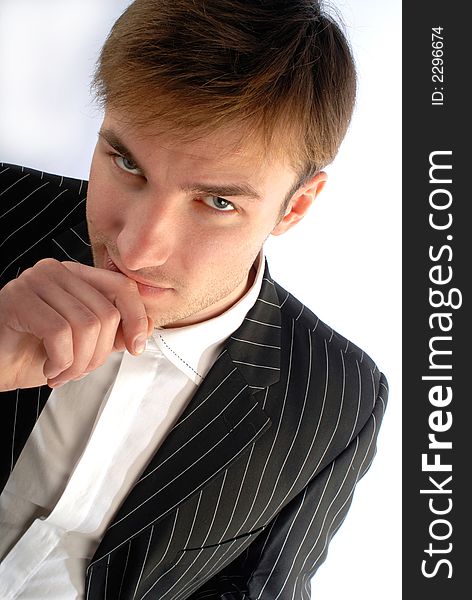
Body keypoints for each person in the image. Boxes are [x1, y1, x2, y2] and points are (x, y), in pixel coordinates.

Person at [0, 0, 388, 598]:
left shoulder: (336, 397)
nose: (137, 246)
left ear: (298, 205)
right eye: (127, 163)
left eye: (217, 202)